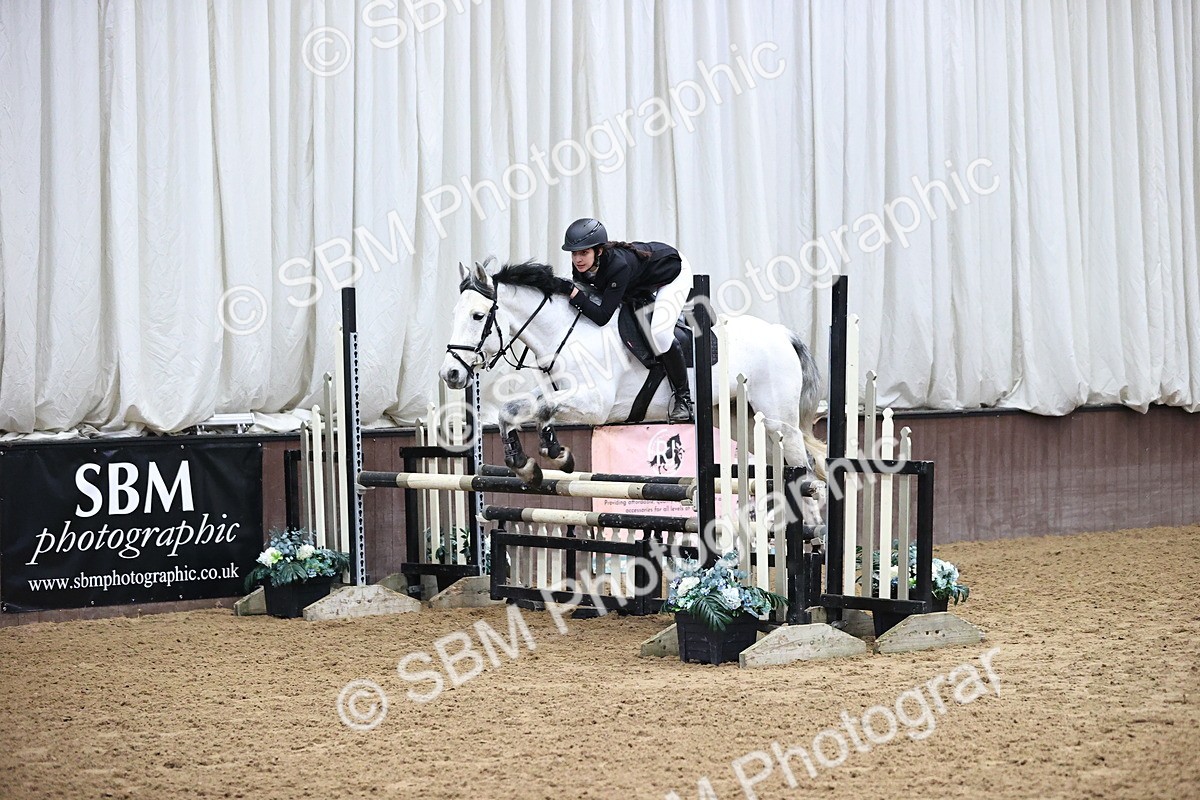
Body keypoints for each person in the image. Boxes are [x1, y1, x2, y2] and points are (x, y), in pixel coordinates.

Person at [555, 217, 694, 423]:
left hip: (671, 273)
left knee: (660, 333)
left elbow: (602, 316)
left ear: (599, 251)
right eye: (574, 253)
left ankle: (684, 399)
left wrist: (575, 295)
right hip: (637, 281)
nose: (578, 259)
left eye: (584, 253)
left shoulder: (617, 266)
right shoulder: (584, 266)